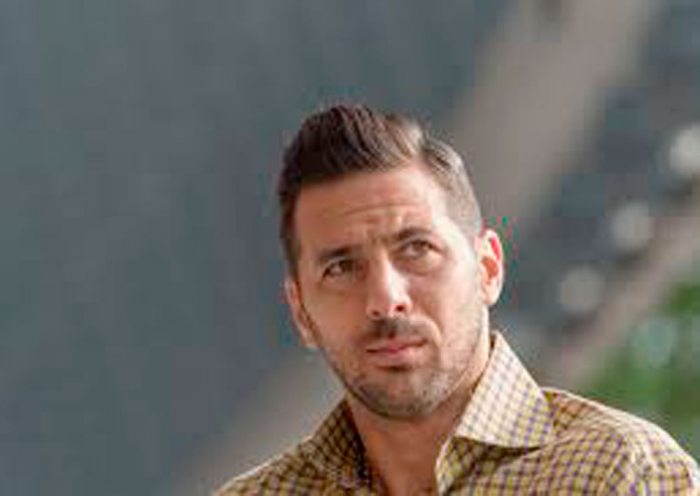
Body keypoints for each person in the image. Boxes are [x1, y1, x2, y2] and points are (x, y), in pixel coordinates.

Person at [216, 105, 700, 495]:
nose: (386, 299)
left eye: (416, 249)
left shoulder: (623, 474)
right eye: (341, 268)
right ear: (301, 312)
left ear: (488, 269)